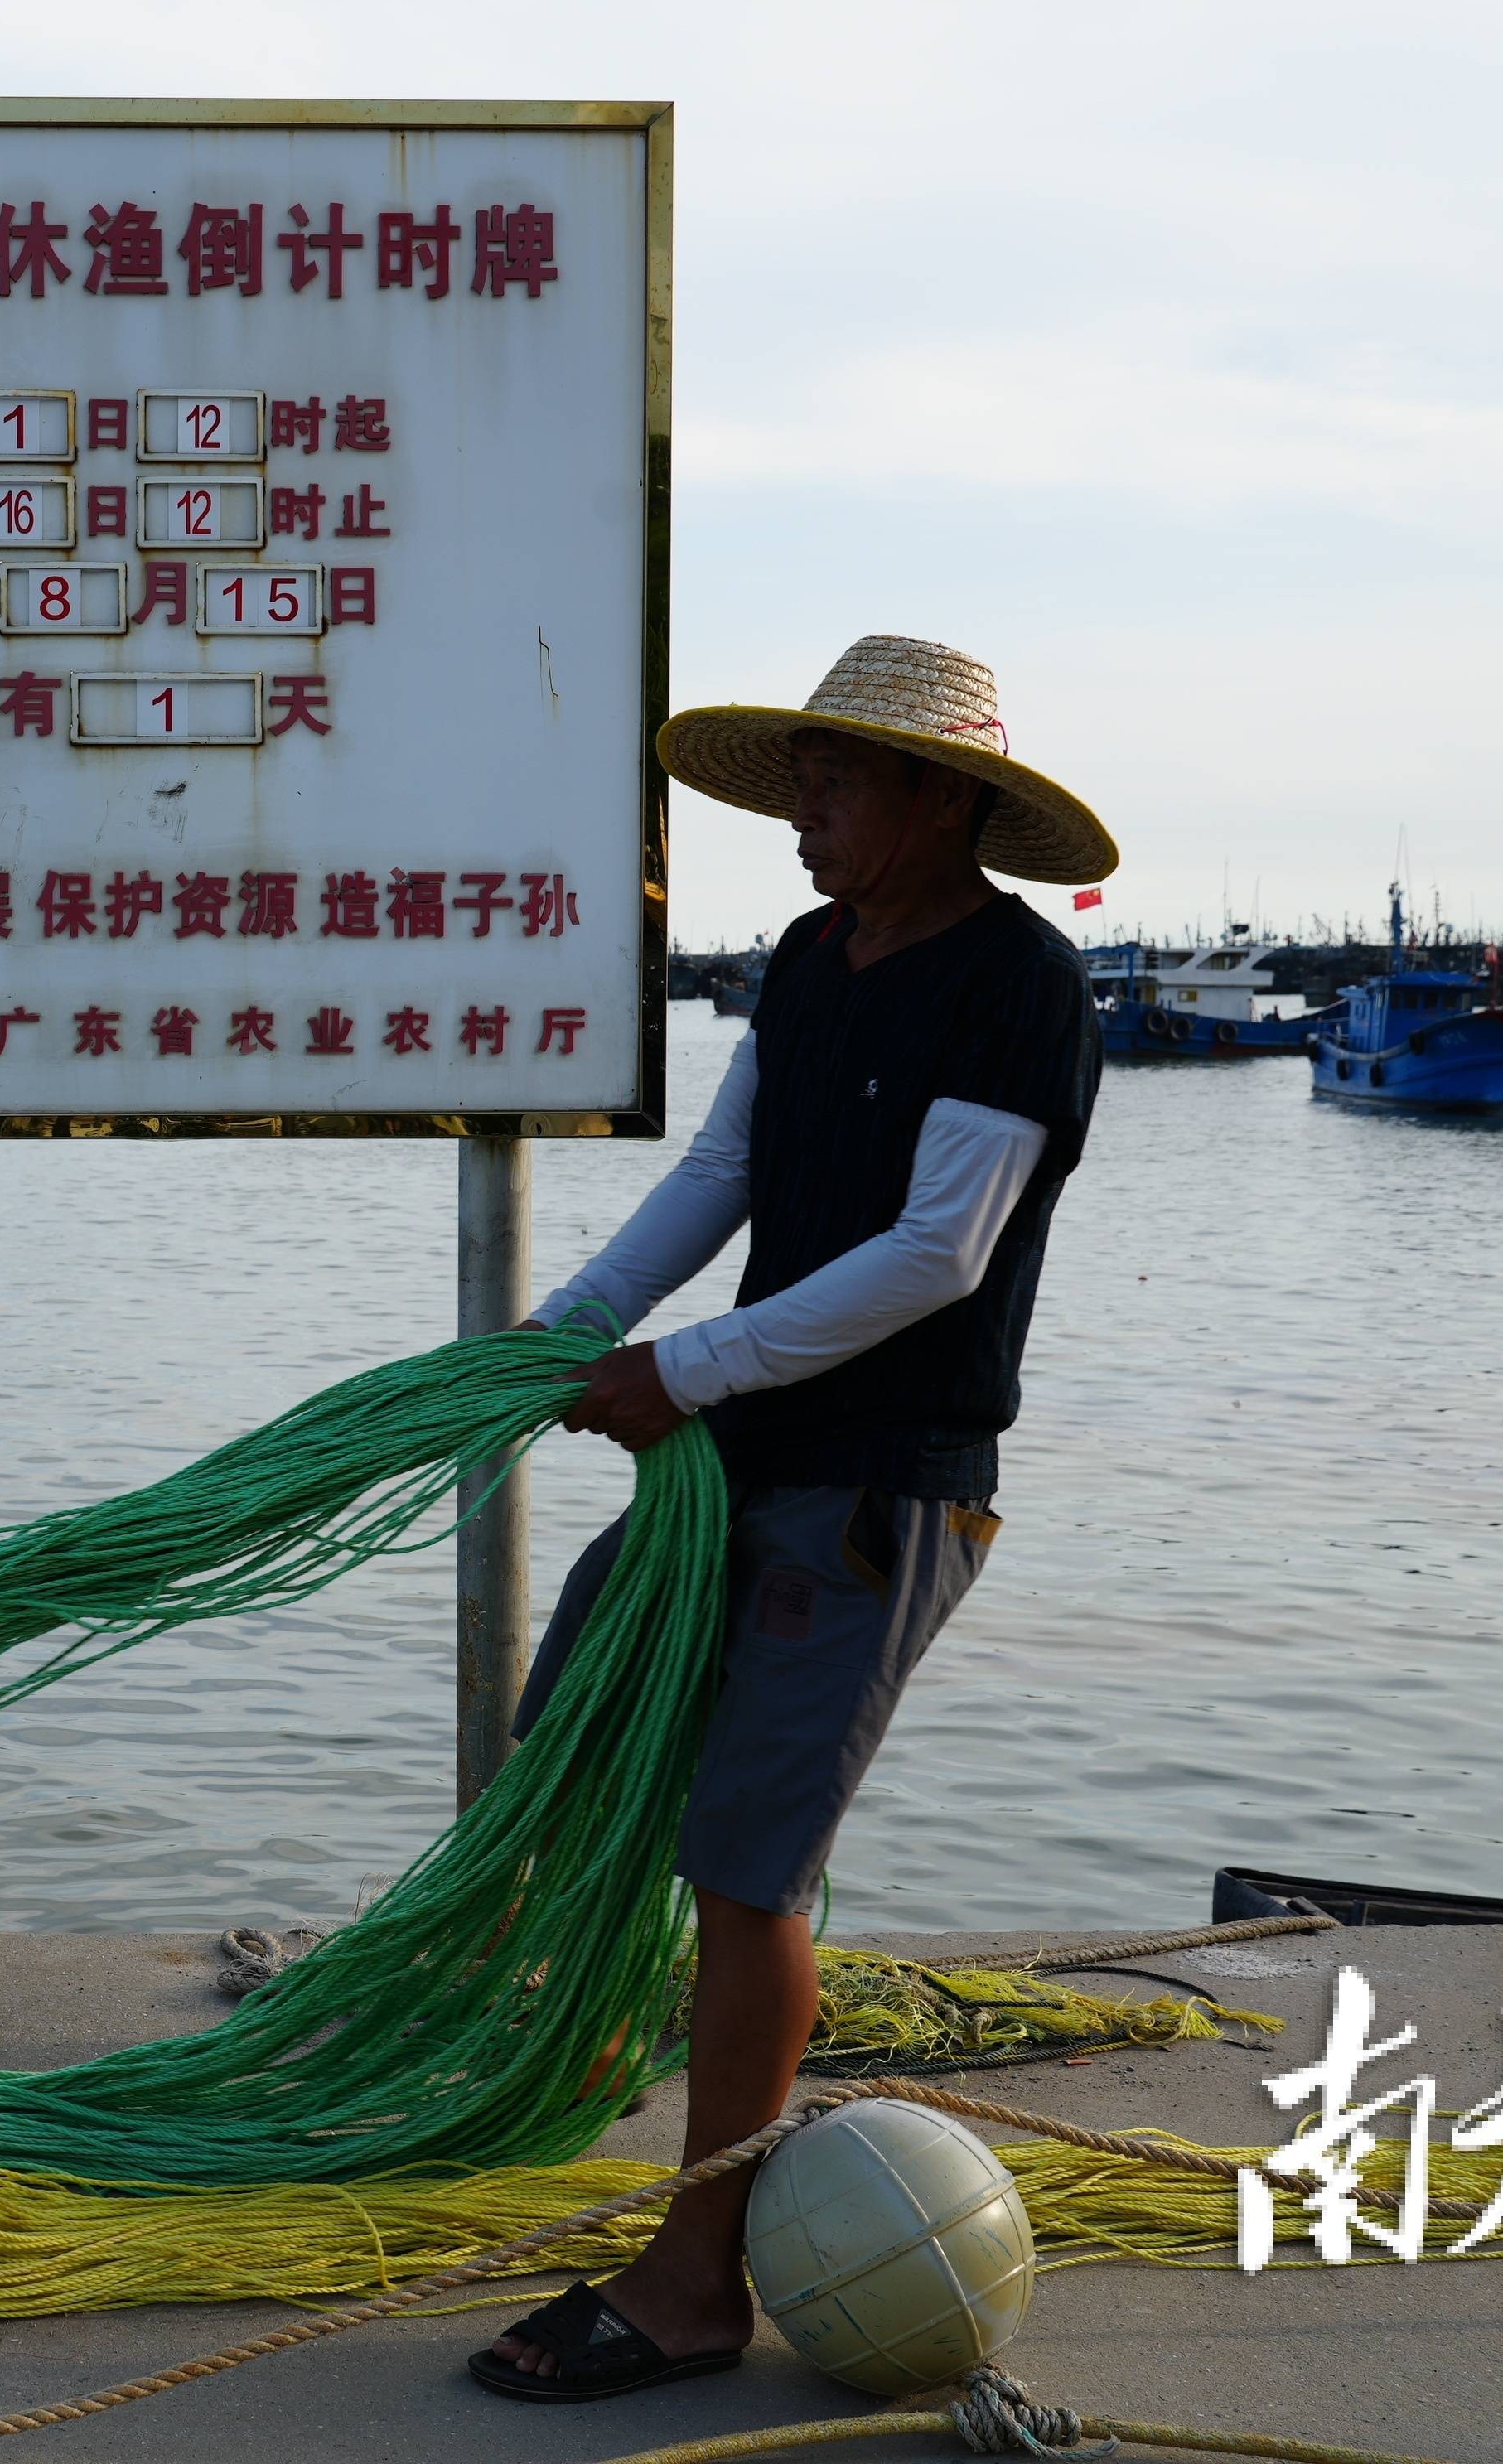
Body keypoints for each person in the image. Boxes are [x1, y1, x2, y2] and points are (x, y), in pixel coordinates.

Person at [473, 635, 1116, 2404]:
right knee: (575, 1734)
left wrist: (685, 1372)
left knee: (745, 1878)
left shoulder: (1020, 989)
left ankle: (695, 2279)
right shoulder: (813, 963)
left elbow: (938, 1257)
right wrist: (568, 1333)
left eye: (838, 785)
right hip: (737, 1456)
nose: (807, 818)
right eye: (803, 784)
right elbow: (726, 1173)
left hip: (877, 1487)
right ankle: (605, 2121)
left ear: (941, 800)